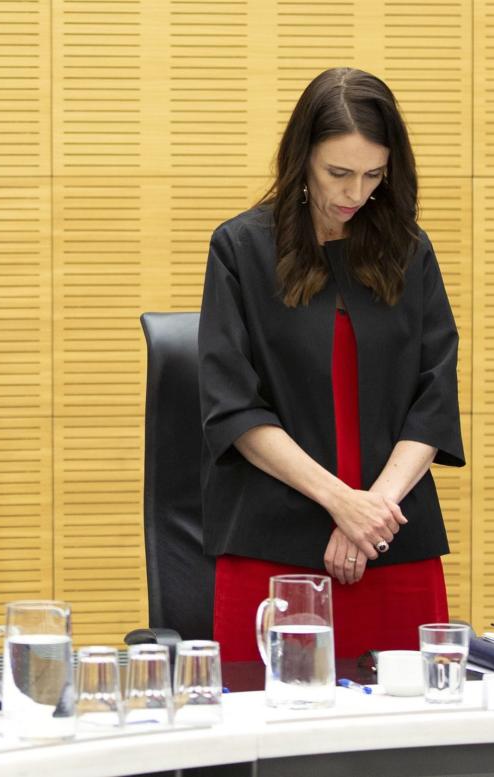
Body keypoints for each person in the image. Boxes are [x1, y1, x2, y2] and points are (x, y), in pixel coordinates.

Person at [197, 67, 464, 661]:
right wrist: (342, 502)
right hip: (275, 544)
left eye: (373, 175)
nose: (354, 193)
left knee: (411, 740)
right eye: (337, 173)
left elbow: (434, 397)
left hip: (393, 540)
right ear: (303, 160)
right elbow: (234, 408)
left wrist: (372, 513)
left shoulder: (409, 252)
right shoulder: (241, 249)